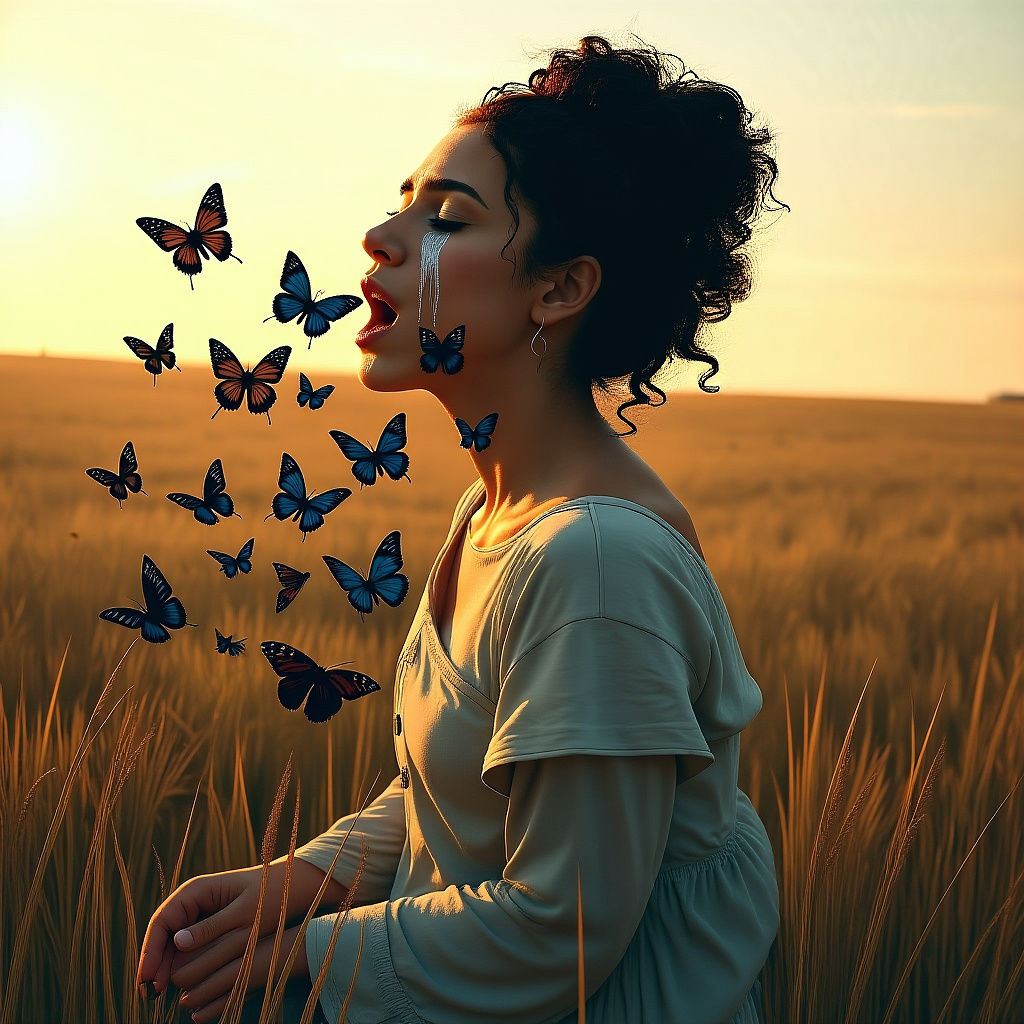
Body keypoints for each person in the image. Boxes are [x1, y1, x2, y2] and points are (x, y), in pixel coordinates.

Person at [136, 33, 787, 1024]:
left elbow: (558, 929)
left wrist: (305, 954)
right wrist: (297, 881)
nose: (380, 236)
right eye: (403, 202)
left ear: (560, 290)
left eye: (445, 218)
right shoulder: (492, 513)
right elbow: (471, 799)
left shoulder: (595, 563)